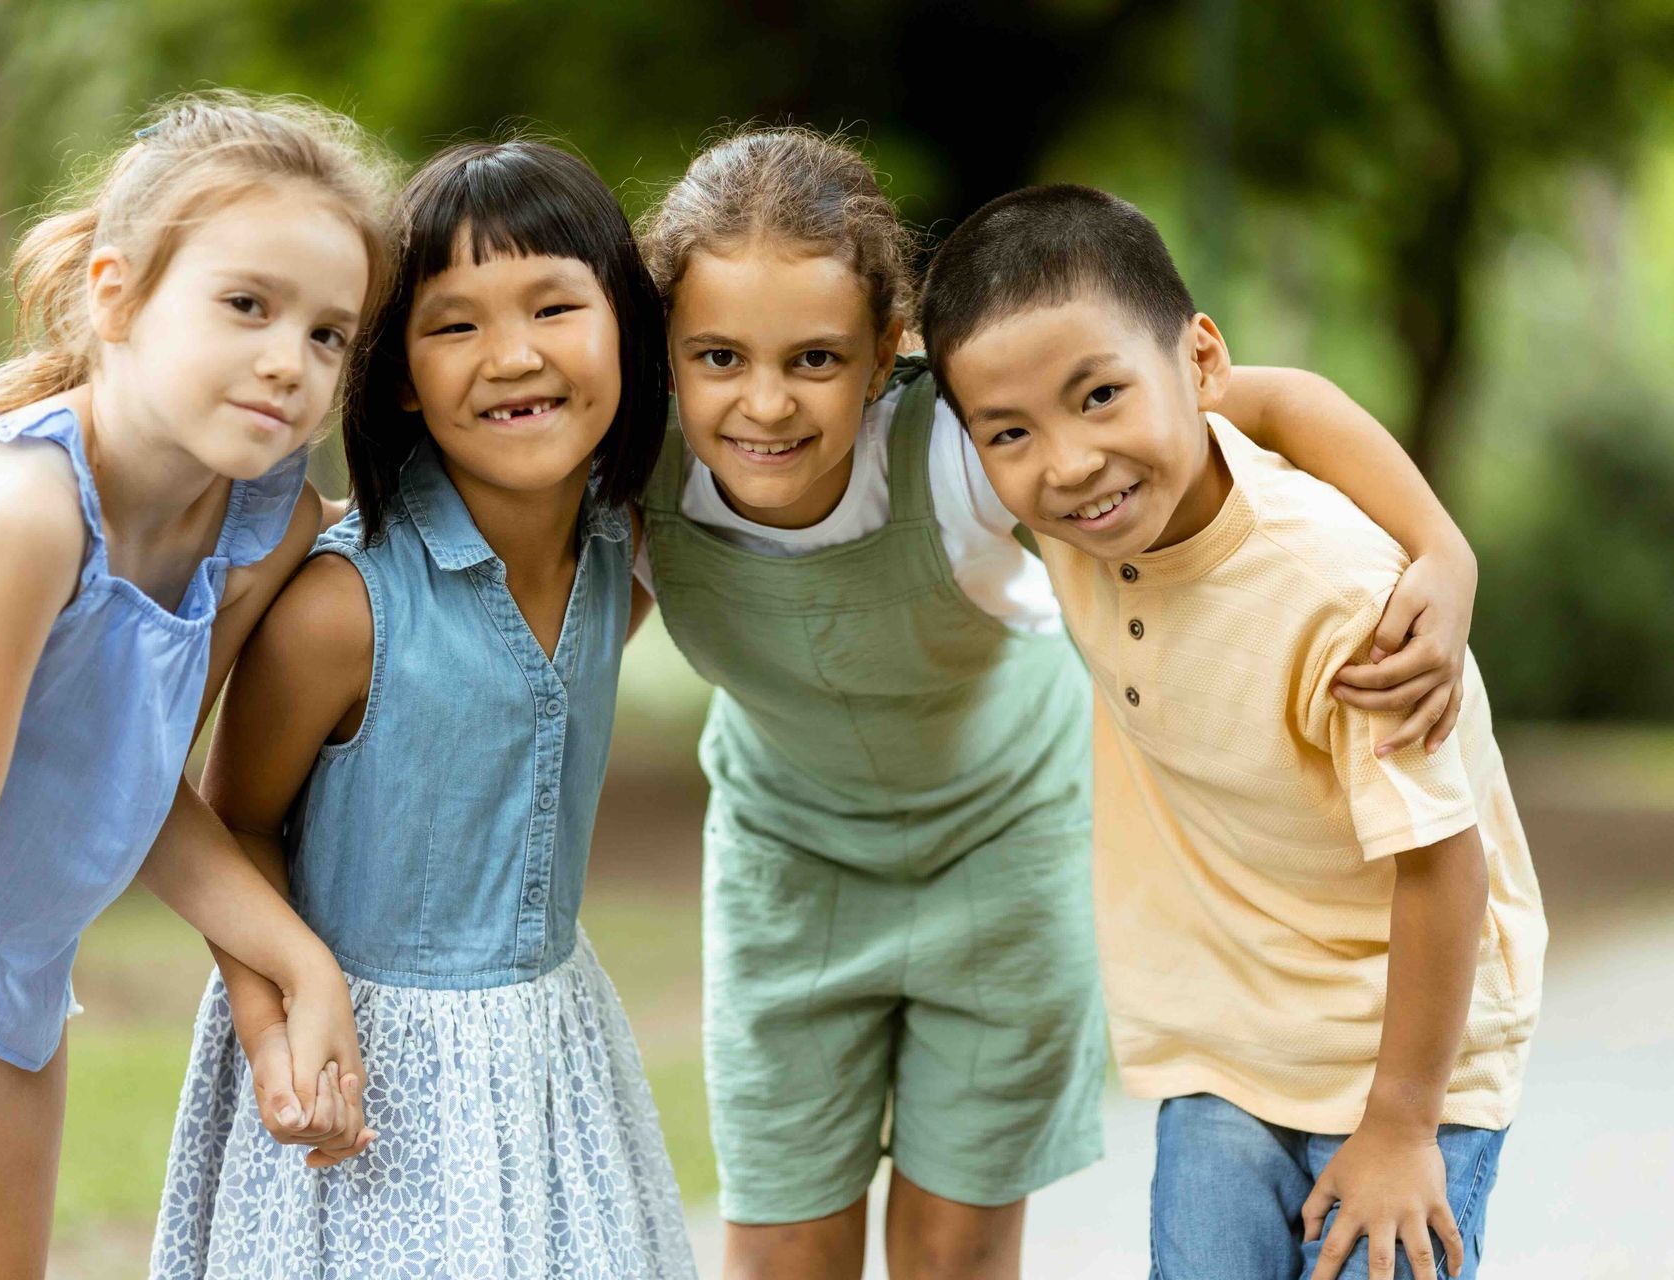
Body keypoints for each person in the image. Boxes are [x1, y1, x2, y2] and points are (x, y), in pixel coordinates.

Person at [633, 128, 1489, 1279]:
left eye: (817, 359)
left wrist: (1440, 549)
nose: (766, 403)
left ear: (889, 354)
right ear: (667, 356)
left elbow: (1250, 397)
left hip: (1002, 844)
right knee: (782, 1243)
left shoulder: (962, 447)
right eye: (719, 357)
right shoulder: (634, 473)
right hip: (790, 858)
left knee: (954, 1249)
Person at [0, 91, 396, 1280]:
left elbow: (140, 789)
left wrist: (298, 958)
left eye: (329, 334)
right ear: (117, 294)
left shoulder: (263, 527)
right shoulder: (21, 510)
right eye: (247, 304)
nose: (289, 360)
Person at [923, 182, 1545, 1280]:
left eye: (1102, 395)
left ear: (1199, 365)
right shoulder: (1072, 514)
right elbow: (1276, 395)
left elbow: (1449, 864)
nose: (1068, 461)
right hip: (1228, 1042)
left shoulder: (1343, 601)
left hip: (1410, 1057)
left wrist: (1402, 1121)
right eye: (1011, 431)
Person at [150, 139, 697, 1279]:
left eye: (554, 305)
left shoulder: (622, 554)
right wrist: (277, 1037)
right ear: (398, 371)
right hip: (361, 1087)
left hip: (553, 1069)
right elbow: (233, 821)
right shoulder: (342, 609)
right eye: (455, 325)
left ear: (626, 334)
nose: (512, 356)